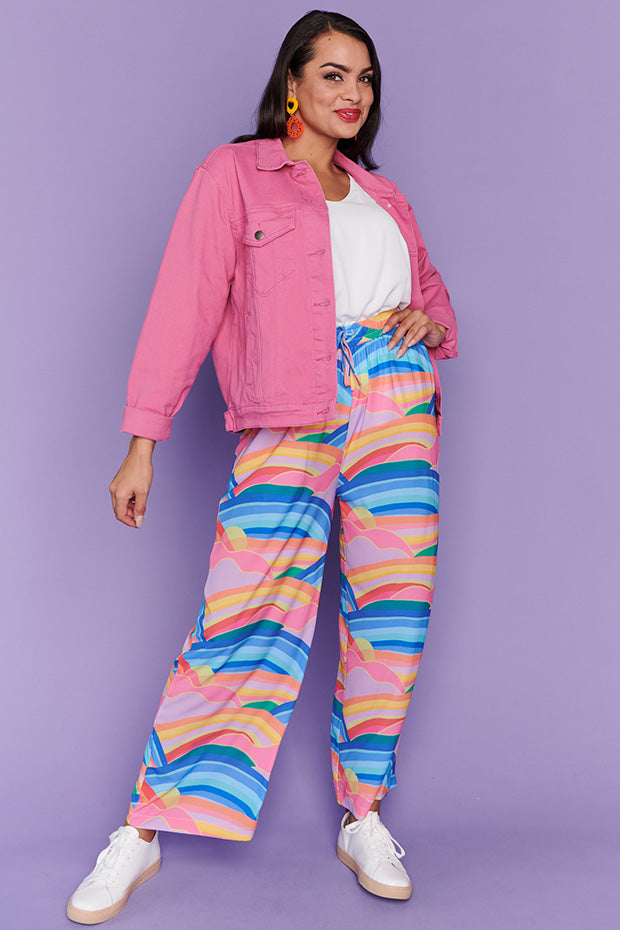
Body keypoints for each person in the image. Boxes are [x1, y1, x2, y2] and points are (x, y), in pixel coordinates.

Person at [67, 9, 457, 924]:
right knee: (243, 610)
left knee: (393, 610)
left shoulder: (384, 196)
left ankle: (364, 814)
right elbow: (184, 306)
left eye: (365, 78)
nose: (353, 94)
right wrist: (142, 443)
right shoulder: (235, 174)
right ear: (293, 83)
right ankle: (144, 828)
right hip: (292, 406)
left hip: (397, 402)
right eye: (333, 75)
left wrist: (430, 323)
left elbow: (433, 298)